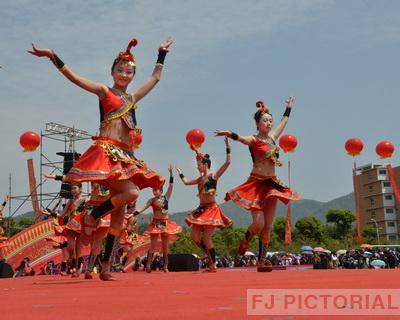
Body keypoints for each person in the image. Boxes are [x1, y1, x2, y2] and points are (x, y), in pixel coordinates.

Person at [29, 36, 173, 280]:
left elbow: (156, 78)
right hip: (107, 153)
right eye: (120, 70)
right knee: (132, 194)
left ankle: (105, 266)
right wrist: (53, 56)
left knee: (119, 215)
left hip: (126, 156)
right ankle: (93, 215)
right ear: (112, 71)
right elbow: (74, 78)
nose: (124, 74)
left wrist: (161, 55)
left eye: (129, 71)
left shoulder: (133, 98)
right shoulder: (104, 91)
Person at [215, 98, 300, 272]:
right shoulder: (254, 139)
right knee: (259, 224)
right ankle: (246, 237)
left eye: (270, 120)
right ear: (257, 123)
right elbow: (242, 139)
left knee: (268, 225)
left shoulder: (273, 138)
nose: (269, 123)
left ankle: (261, 260)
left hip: (272, 184)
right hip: (256, 184)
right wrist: (229, 134)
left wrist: (288, 108)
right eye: (265, 120)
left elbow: (284, 122)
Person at [176, 138, 232, 272]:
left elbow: (228, 162)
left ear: (205, 164)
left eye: (199, 164)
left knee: (207, 238)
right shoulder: (199, 179)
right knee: (194, 236)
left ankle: (213, 265)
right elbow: (186, 182)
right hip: (201, 210)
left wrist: (227, 147)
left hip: (211, 209)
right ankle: (209, 257)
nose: (197, 166)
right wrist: (180, 173)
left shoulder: (214, 176)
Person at [135, 165, 182, 273]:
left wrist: (171, 175)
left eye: (156, 190)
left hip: (165, 223)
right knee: (153, 245)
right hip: (156, 223)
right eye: (153, 190)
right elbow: (143, 207)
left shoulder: (166, 197)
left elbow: (171, 186)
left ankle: (165, 266)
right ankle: (148, 265)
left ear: (161, 191)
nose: (154, 192)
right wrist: (134, 213)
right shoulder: (151, 200)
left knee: (165, 246)